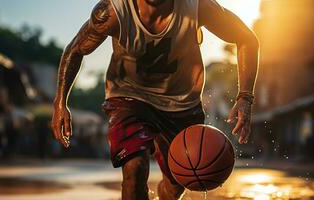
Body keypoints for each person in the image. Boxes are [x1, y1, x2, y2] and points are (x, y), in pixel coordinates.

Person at [51, 0, 259, 199]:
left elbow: (246, 39)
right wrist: (60, 102)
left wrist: (245, 97)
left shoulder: (197, 6)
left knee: (179, 180)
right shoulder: (113, 11)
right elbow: (75, 50)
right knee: (134, 169)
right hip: (129, 96)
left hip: (182, 102)